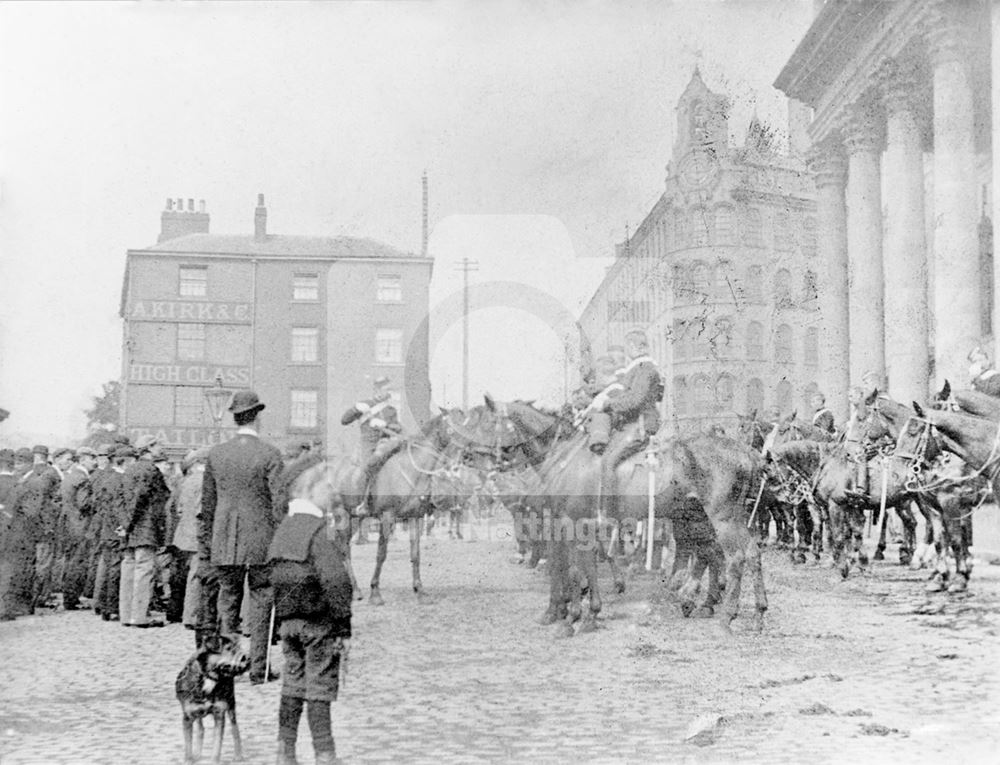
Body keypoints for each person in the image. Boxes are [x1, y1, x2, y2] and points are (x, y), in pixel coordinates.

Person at [268, 455, 353, 765]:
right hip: (319, 625)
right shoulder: (320, 531)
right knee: (319, 689)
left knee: (292, 685)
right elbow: (336, 580)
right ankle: (325, 755)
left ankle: (285, 752)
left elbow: (274, 577)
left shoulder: (283, 530)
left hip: (288, 624)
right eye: (327, 487)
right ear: (310, 489)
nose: (333, 493)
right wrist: (343, 625)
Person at [199, 389, 284, 685]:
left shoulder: (216, 454)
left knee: (228, 602)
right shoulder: (270, 454)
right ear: (257, 417)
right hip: (262, 543)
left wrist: (207, 546)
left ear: (234, 418)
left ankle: (227, 665)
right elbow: (279, 506)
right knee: (262, 602)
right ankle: (259, 669)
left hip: (224, 541)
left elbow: (207, 506)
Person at [594, 329, 664, 518]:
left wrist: (607, 404)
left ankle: (608, 515)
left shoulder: (644, 369)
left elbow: (635, 400)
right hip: (634, 425)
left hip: (640, 426)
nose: (626, 353)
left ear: (633, 346)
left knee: (609, 462)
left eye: (628, 348)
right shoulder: (639, 369)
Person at [119, 436, 171, 627]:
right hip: (145, 527)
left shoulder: (129, 469)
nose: (161, 449)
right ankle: (140, 616)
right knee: (143, 571)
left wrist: (124, 525)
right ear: (149, 448)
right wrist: (130, 523)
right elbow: (141, 499)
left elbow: (122, 499)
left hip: (130, 529)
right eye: (159, 445)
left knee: (129, 569)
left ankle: (126, 615)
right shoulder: (150, 470)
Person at [93, 445, 134, 621]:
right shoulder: (121, 480)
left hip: (106, 529)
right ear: (124, 461)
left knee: (108, 567)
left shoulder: (107, 478)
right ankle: (113, 606)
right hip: (116, 530)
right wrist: (124, 526)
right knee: (116, 569)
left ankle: (103, 606)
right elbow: (119, 507)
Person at [340, 376, 403, 491]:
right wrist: (355, 410)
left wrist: (385, 425)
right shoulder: (365, 404)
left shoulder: (391, 410)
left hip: (386, 443)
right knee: (368, 468)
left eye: (390, 390)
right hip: (368, 443)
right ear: (377, 390)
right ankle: (363, 501)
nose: (389, 392)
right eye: (386, 389)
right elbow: (344, 420)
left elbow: (398, 428)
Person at [19, 445, 61, 611]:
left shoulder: (23, 475)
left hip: (25, 527)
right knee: (44, 562)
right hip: (44, 526)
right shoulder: (50, 473)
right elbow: (53, 502)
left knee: (30, 561)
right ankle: (40, 596)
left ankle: (29, 596)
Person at [58, 447, 97, 610]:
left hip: (68, 524)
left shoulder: (69, 476)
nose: (95, 462)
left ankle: (69, 597)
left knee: (70, 561)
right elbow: (84, 504)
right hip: (80, 525)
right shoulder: (83, 478)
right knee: (78, 562)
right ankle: (72, 599)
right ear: (82, 460)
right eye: (92, 459)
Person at [0, 448, 34, 621]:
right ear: (13, 465)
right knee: (7, 569)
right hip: (12, 534)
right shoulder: (19, 486)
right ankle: (3, 608)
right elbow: (30, 513)